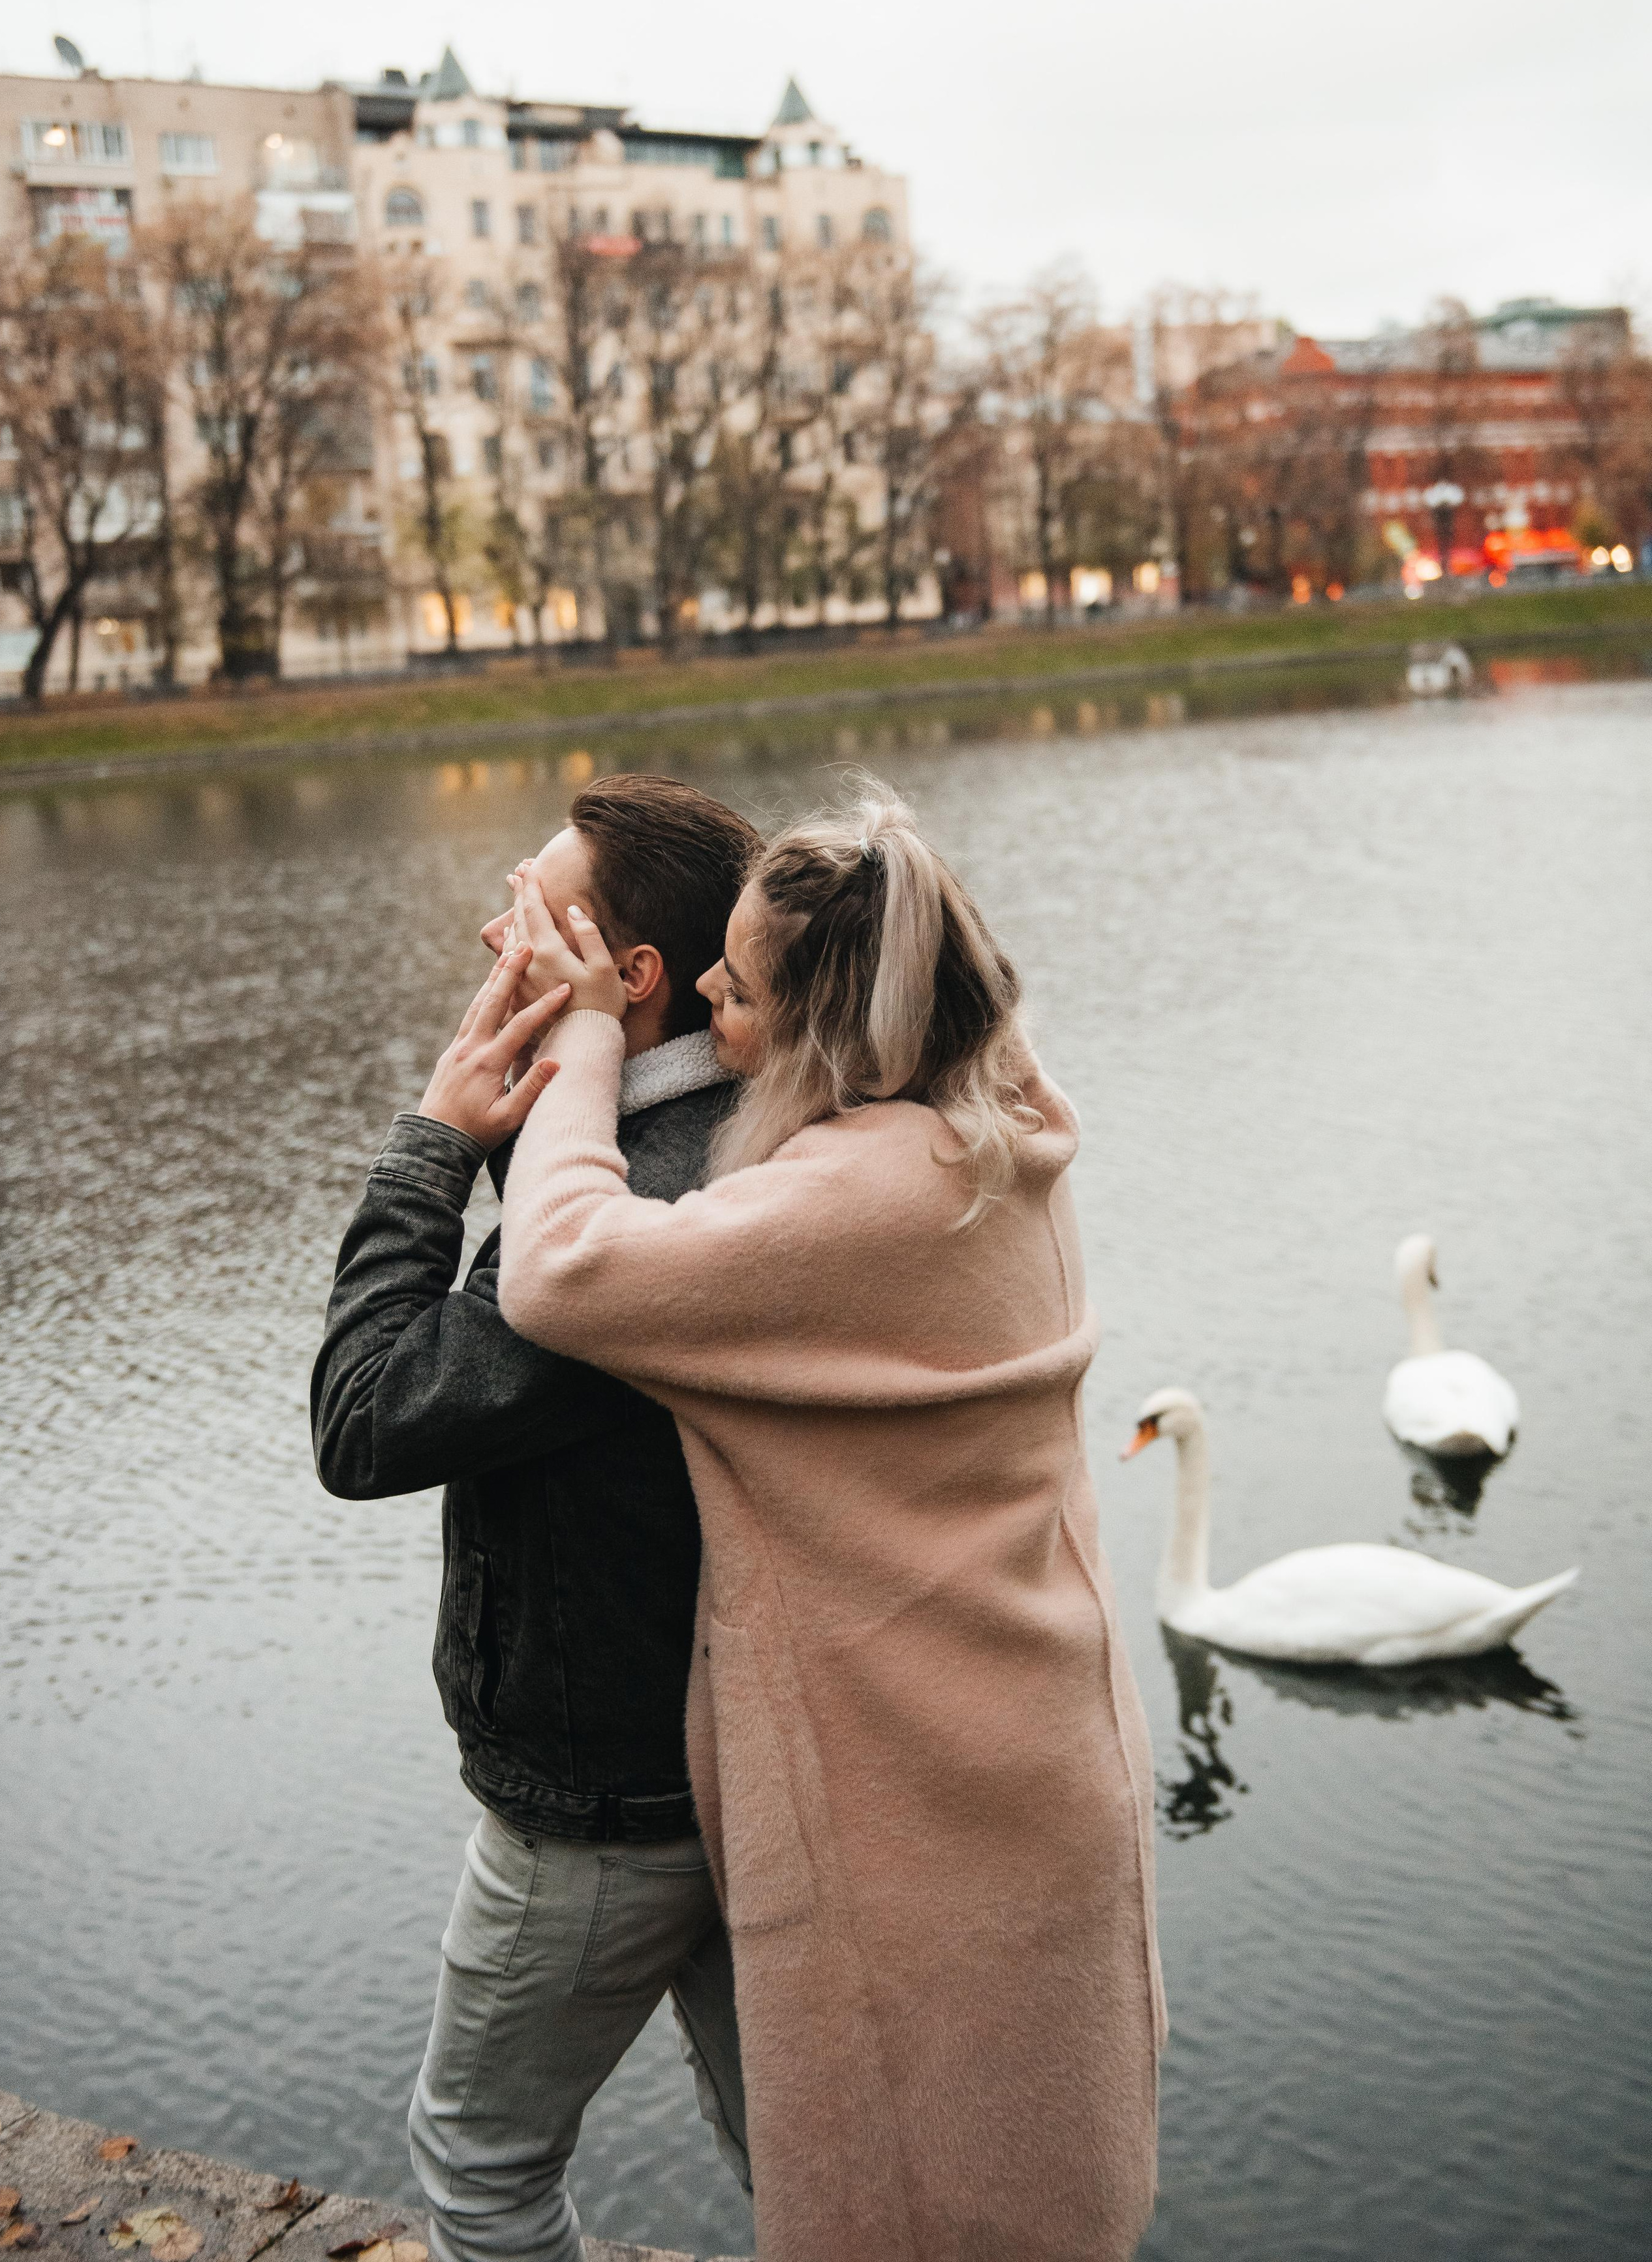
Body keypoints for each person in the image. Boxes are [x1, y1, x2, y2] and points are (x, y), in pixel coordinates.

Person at [489, 777, 1166, 2262]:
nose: (718, 1003)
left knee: (922, 2199)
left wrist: (594, 1036)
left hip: (923, 1798)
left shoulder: (859, 1200)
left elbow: (558, 1271)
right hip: (1027, 1747)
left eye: (743, 991)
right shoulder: (996, 1113)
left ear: (823, 1038)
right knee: (1029, 2181)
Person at [309, 774, 763, 2262]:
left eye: (528, 911)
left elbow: (364, 1419)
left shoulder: (617, 1236)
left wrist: (434, 1139)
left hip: (601, 1801)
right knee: (813, 2167)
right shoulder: (751, 1137)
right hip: (753, 1770)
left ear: (627, 980)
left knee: (480, 2170)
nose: (486, 930)